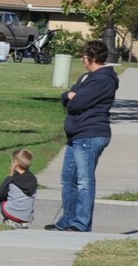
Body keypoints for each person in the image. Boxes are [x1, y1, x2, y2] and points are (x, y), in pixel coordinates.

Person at [47, 39, 118, 232]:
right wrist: (69, 96)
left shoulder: (103, 79)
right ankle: (67, 220)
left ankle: (81, 223)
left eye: (84, 57)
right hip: (77, 135)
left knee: (84, 180)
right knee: (67, 178)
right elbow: (67, 96)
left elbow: (76, 103)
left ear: (91, 58)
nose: (81, 60)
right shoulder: (86, 78)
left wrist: (71, 98)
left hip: (91, 134)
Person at [0, 148, 39, 229]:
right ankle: (23, 223)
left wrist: (10, 176)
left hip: (11, 213)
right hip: (27, 217)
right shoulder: (33, 179)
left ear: (15, 163)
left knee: (3, 197)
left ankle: (9, 220)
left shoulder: (12, 179)